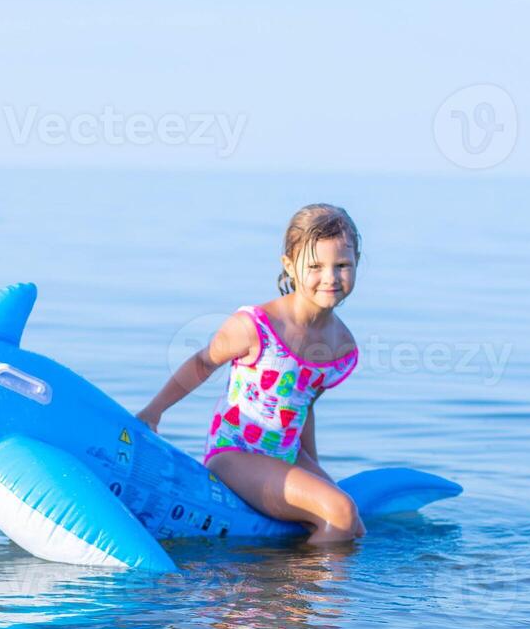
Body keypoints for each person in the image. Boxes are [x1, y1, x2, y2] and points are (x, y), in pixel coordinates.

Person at [136, 204, 364, 543]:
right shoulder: (256, 326)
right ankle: (295, 591)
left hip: (285, 454)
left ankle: (301, 579)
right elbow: (203, 364)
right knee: (341, 513)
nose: (330, 278)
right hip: (235, 455)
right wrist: (153, 412)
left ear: (357, 263)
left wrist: (313, 469)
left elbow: (305, 406)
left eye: (342, 265)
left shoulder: (342, 346)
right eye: (315, 266)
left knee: (355, 526)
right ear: (289, 265)